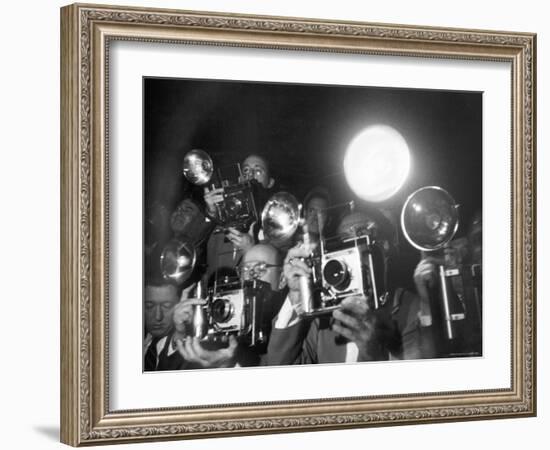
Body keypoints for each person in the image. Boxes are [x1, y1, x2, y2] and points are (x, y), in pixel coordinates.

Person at [264, 208, 436, 366]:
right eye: (345, 239)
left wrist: (373, 353)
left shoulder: (411, 307)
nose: (353, 242)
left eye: (362, 233)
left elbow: (415, 385)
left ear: (384, 246)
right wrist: (295, 294)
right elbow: (280, 369)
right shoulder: (326, 313)